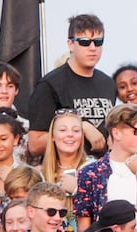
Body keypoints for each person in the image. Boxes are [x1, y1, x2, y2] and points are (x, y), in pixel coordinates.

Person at [25, 14, 115, 157]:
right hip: (64, 171)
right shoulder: (50, 85)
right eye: (85, 42)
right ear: (71, 44)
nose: (93, 48)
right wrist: (80, 128)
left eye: (98, 42)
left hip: (101, 169)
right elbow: (35, 144)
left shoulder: (108, 83)